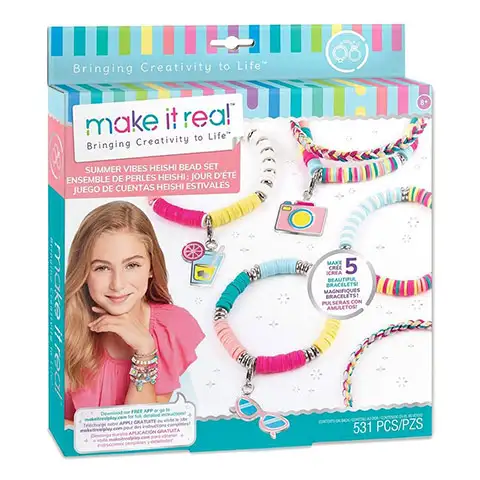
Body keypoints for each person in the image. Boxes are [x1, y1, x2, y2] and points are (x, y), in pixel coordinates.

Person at [64, 201, 204, 424]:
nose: (117, 284)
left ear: (151, 267)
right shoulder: (65, 327)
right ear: (84, 273)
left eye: (132, 265)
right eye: (102, 268)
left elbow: (140, 427)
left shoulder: (172, 327)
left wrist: (145, 350)